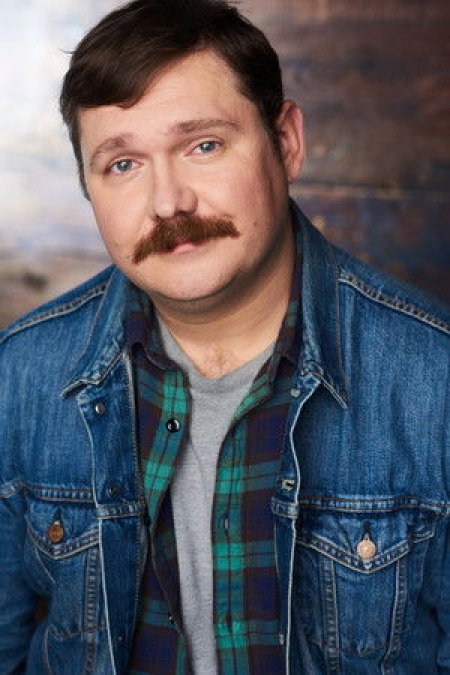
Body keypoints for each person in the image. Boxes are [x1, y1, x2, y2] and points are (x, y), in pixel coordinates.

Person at [1, 0, 449, 672]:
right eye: (123, 164)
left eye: (203, 145)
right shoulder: (22, 373)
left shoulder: (433, 379)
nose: (168, 202)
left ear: (286, 143)